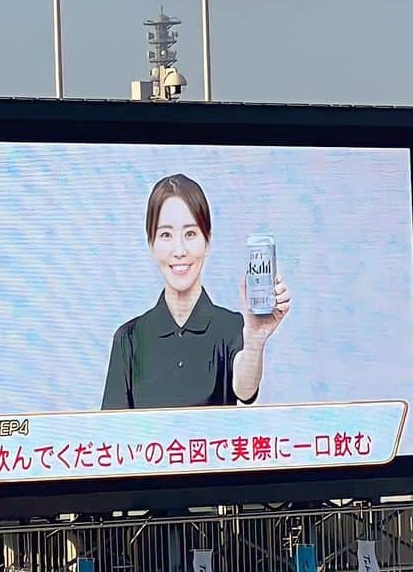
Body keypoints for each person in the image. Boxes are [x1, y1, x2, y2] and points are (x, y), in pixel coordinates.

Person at [101, 174, 290, 409]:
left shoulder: (230, 326)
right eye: (166, 235)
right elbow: (110, 435)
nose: (179, 250)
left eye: (190, 234)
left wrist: (255, 339)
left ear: (207, 241)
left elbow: (245, 390)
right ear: (151, 244)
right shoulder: (128, 339)